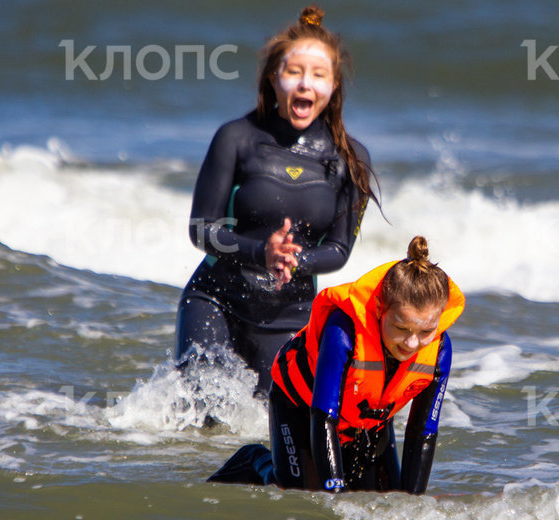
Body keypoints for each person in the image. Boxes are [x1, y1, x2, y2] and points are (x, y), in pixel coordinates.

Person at [175, 5, 378, 393]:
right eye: (294, 72)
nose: (306, 84)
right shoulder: (236, 138)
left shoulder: (352, 160)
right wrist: (260, 253)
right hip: (216, 301)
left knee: (271, 428)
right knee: (201, 418)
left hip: (290, 318)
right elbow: (201, 229)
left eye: (319, 75)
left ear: (333, 86)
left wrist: (296, 258)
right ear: (273, 78)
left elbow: (338, 249)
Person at [208, 236, 465, 494]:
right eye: (401, 327)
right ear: (379, 308)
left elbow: (423, 431)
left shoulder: (439, 349)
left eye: (425, 331)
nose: (411, 342)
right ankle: (254, 460)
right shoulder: (343, 329)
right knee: (303, 497)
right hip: (302, 410)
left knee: (389, 501)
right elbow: (323, 417)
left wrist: (412, 504)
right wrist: (334, 491)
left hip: (366, 423)